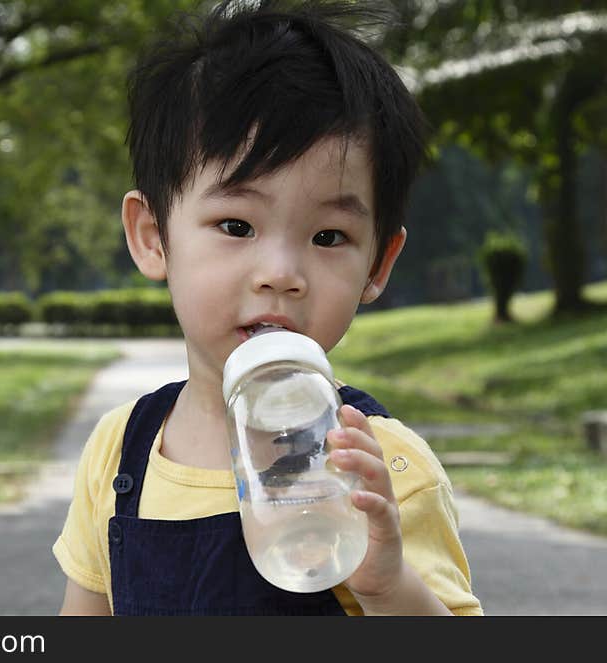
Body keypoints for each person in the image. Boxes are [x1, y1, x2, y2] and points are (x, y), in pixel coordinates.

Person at [53, 0, 483, 616]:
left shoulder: (380, 467)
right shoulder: (121, 451)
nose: (281, 274)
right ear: (153, 236)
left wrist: (389, 587)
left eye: (329, 237)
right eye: (236, 224)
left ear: (379, 265)